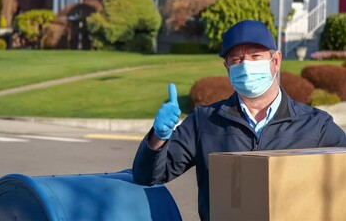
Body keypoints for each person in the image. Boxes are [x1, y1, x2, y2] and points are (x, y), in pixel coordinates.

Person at [132, 19, 346, 220]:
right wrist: (158, 138)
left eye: (255, 57)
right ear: (227, 68)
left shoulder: (316, 125)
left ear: (276, 61)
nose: (245, 66)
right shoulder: (204, 121)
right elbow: (147, 177)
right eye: (236, 60)